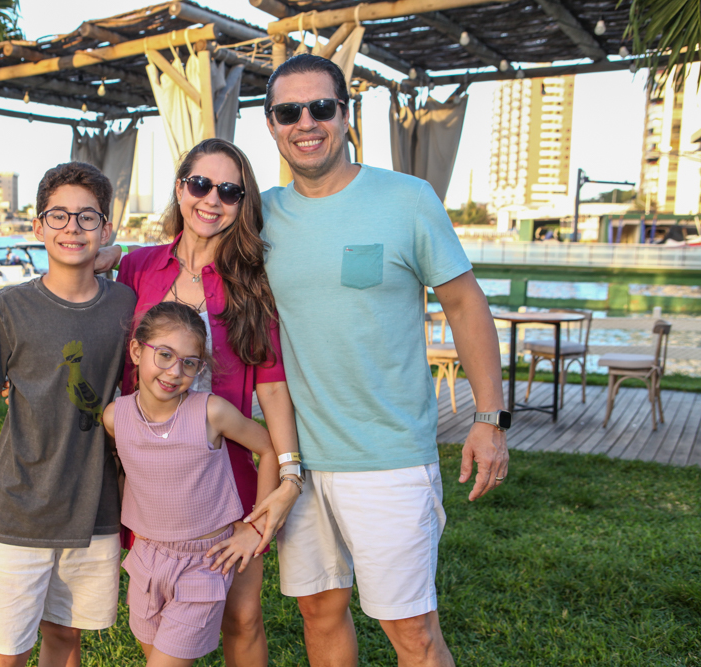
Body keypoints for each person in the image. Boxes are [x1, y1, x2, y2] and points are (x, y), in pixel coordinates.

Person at [260, 54, 510, 666]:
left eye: (322, 107)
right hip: (300, 461)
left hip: (389, 458)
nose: (307, 122)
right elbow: (186, 248)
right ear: (271, 125)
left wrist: (490, 418)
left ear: (346, 114)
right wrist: (106, 262)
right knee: (318, 612)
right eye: (289, 111)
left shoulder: (406, 198)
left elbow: (464, 302)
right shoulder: (260, 213)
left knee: (413, 634)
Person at [112, 138, 303, 667]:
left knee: (242, 616)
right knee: (161, 613)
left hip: (230, 478)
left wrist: (288, 475)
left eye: (229, 190)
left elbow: (271, 386)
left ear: (243, 203)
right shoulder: (137, 268)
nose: (211, 199)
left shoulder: (251, 282)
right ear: (180, 187)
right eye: (200, 184)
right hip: (153, 480)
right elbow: (110, 346)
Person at [0, 162, 137, 667]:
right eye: (58, 216)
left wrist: (115, 256)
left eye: (87, 218)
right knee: (7, 650)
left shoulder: (124, 302)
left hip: (94, 512)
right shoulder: (10, 307)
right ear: (37, 227)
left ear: (105, 227)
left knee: (65, 641)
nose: (72, 229)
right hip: (18, 512)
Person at [102, 301, 283, 667]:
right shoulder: (114, 417)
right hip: (148, 560)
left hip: (205, 564)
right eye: (164, 355)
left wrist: (256, 526)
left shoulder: (210, 412)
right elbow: (127, 468)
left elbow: (268, 447)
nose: (174, 372)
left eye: (189, 362)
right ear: (137, 350)